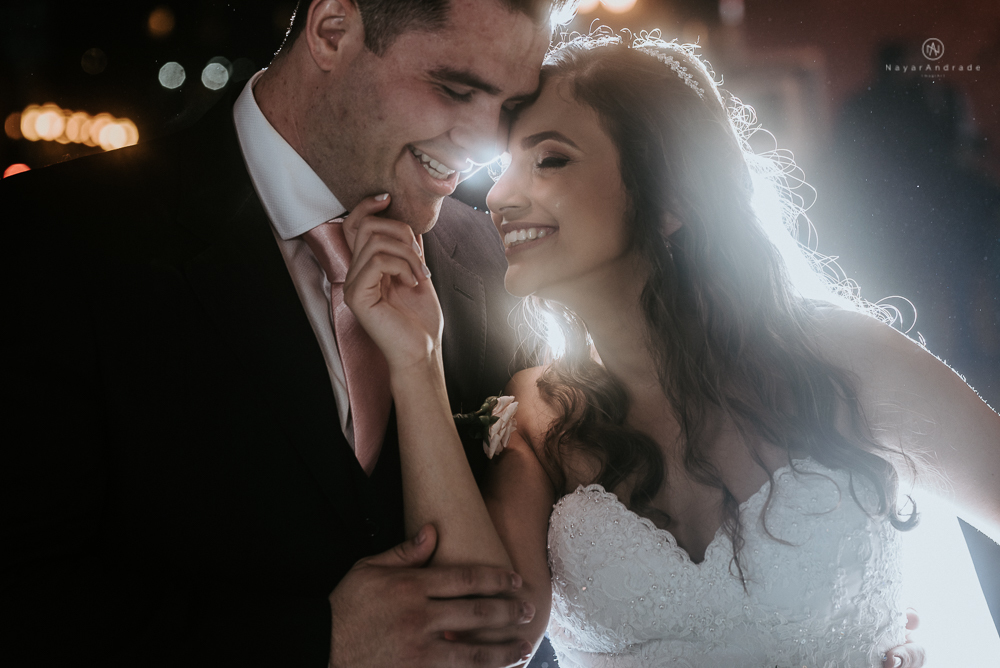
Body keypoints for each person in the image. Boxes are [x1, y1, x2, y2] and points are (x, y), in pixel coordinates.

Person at [337, 31, 998, 668]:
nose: (502, 197)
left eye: (550, 159)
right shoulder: (541, 418)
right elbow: (474, 640)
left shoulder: (837, 359)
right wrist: (415, 361)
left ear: (671, 196)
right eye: (504, 168)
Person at [0, 1, 560, 666]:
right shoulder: (53, 242)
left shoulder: (496, 268)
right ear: (331, 30)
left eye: (510, 106)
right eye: (456, 88)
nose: (485, 139)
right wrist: (314, 641)